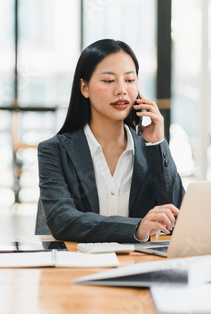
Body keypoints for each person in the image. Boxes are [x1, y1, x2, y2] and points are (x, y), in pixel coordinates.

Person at [37, 39, 185, 243]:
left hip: (138, 267)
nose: (121, 90)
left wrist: (157, 145)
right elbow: (63, 220)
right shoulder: (54, 150)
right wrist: (137, 228)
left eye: (130, 80)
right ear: (84, 88)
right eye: (108, 81)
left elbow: (181, 218)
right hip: (78, 267)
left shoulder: (149, 150)